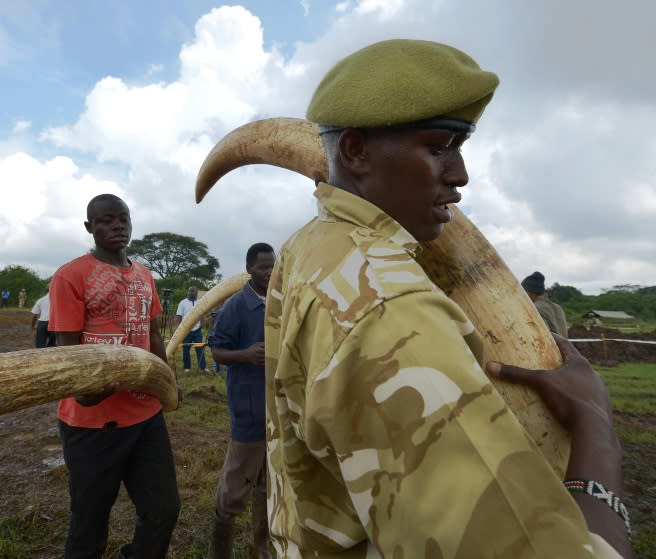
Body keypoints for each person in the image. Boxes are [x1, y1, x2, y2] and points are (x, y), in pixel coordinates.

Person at [264, 40, 631, 558]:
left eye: (460, 149)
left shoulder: (308, 248)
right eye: (439, 147)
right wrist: (596, 427)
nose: (460, 175)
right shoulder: (391, 310)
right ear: (354, 151)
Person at [49, 193, 180, 559]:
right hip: (92, 424)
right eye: (106, 220)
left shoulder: (143, 274)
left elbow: (154, 335)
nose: (117, 225)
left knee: (163, 511)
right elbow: (67, 350)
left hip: (145, 416)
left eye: (123, 218)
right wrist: (85, 391)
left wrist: (168, 381)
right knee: (89, 524)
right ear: (89, 228)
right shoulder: (71, 275)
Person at [207, 243, 275, 559]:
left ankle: (260, 548)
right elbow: (217, 351)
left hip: (276, 408)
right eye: (264, 267)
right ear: (249, 269)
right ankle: (220, 550)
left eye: (273, 266)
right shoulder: (234, 307)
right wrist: (245, 355)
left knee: (269, 483)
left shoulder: (280, 302)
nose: (270, 272)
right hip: (249, 408)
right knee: (237, 482)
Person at [522, 271, 569, 337]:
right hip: (562, 346)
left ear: (530, 292)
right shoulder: (558, 307)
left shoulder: (534, 308)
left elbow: (541, 336)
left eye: (524, 291)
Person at [174, 286, 207, 373]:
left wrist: (202, 324)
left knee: (200, 349)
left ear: (196, 293)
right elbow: (178, 316)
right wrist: (179, 329)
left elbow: (202, 314)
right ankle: (187, 367)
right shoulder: (182, 303)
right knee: (186, 349)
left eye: (193, 292)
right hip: (186, 330)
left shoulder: (200, 302)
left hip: (197, 330)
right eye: (190, 291)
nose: (191, 293)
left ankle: (202, 367)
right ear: (188, 292)